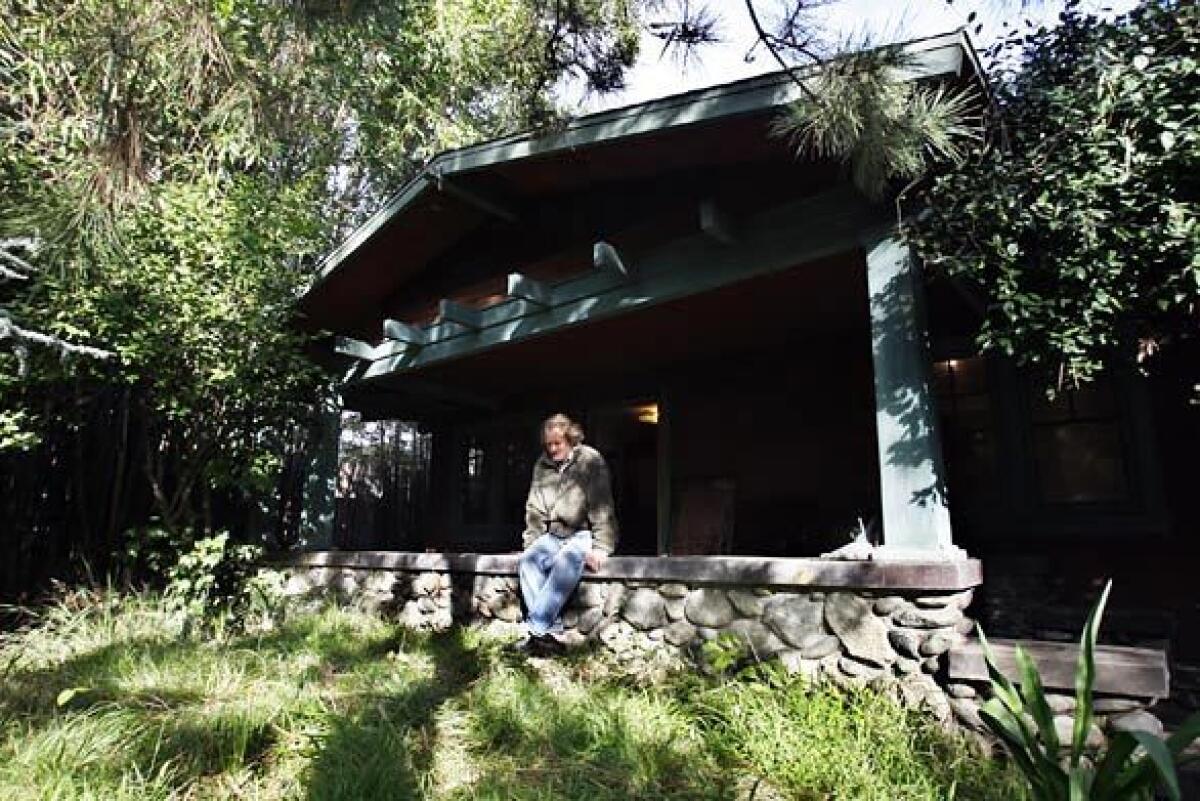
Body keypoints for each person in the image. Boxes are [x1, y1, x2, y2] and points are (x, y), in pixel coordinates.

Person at [515, 413, 617, 655]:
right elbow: (535, 508)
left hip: (583, 533)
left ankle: (536, 632)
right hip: (553, 534)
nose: (552, 449)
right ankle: (549, 632)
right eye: (548, 444)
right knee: (528, 563)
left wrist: (602, 547)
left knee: (567, 563)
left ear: (570, 438)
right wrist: (531, 543)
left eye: (557, 443)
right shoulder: (541, 465)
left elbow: (602, 505)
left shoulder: (590, 460)